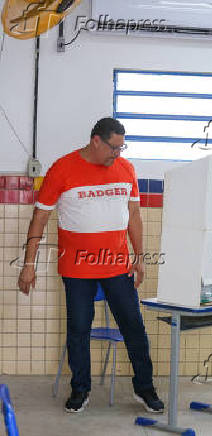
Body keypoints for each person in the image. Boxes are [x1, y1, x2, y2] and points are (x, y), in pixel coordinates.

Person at [18, 117, 164, 414]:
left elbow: (134, 215)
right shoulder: (63, 168)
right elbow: (40, 217)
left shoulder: (126, 169)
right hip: (77, 269)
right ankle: (80, 390)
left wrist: (140, 256)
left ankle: (145, 388)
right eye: (114, 147)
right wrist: (28, 264)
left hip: (117, 266)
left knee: (134, 327)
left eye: (122, 148)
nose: (118, 154)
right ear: (96, 140)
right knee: (79, 330)